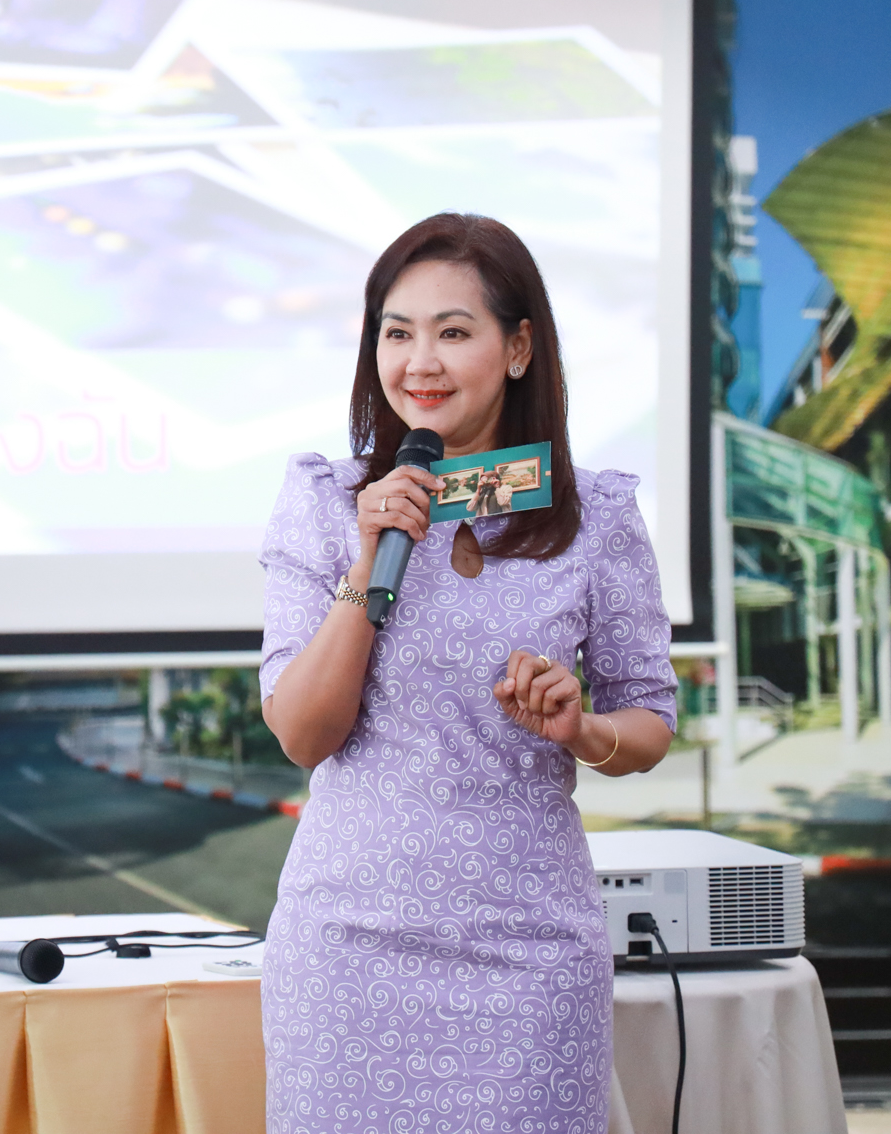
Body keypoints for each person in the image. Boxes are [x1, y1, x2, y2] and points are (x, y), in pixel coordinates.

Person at [258, 214, 677, 1134]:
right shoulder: (326, 503)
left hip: (531, 954)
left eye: (453, 332)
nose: (421, 362)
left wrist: (582, 729)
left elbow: (648, 719)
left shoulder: (597, 517)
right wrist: (368, 559)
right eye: (397, 333)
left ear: (519, 347)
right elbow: (303, 734)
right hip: (347, 947)